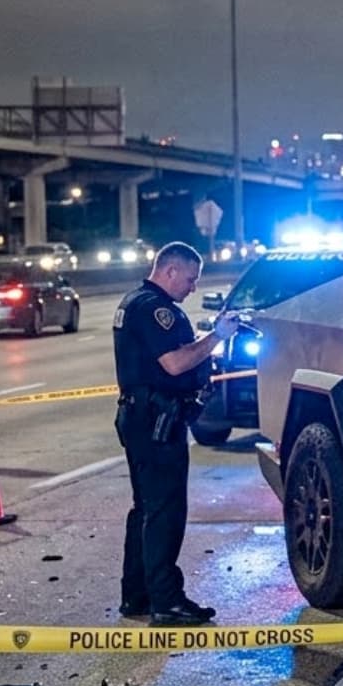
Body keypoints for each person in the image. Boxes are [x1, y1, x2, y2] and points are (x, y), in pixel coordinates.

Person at [112, 242, 239, 626]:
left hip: (141, 418)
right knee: (165, 513)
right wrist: (217, 336)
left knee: (145, 511)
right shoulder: (155, 309)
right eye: (190, 278)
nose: (193, 287)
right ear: (169, 271)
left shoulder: (134, 301)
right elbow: (174, 363)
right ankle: (167, 602)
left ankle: (138, 595)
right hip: (156, 423)